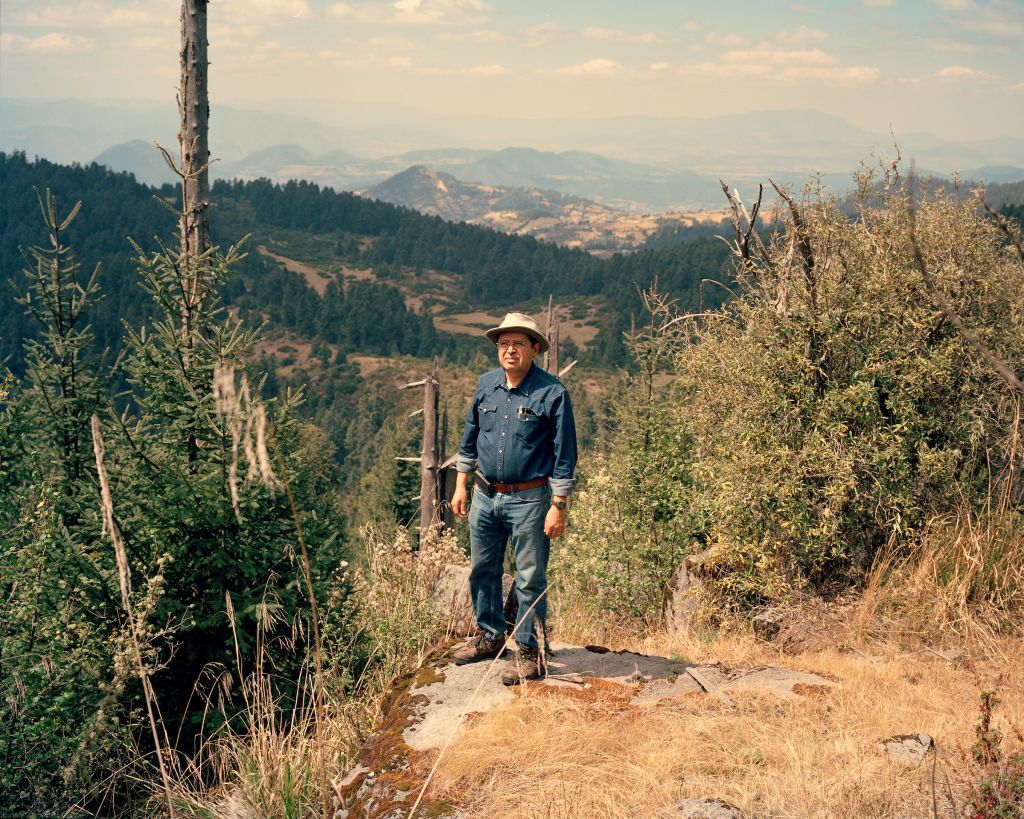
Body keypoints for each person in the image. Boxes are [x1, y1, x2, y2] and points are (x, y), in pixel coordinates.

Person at [450, 312, 577, 685]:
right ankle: (491, 637)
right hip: (484, 494)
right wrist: (461, 485)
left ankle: (529, 650)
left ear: (534, 348)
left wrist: (558, 506)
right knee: (482, 570)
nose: (509, 349)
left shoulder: (552, 392)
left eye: (518, 343)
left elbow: (565, 454)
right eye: (504, 343)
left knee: (530, 577)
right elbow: (469, 438)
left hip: (530, 499)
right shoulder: (486, 385)